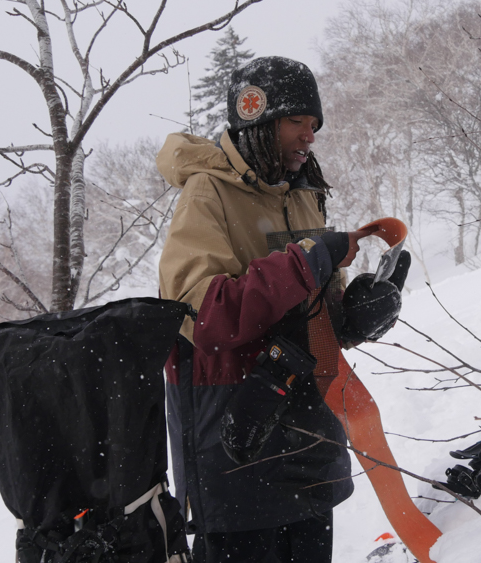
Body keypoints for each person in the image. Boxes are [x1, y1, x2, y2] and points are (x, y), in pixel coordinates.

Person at [157, 56, 377, 563]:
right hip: (238, 441)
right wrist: (306, 263)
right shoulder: (206, 194)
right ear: (258, 119)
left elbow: (313, 312)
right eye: (297, 122)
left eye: (314, 125)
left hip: (306, 434)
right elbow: (202, 316)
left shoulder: (303, 195)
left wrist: (355, 315)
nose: (310, 136)